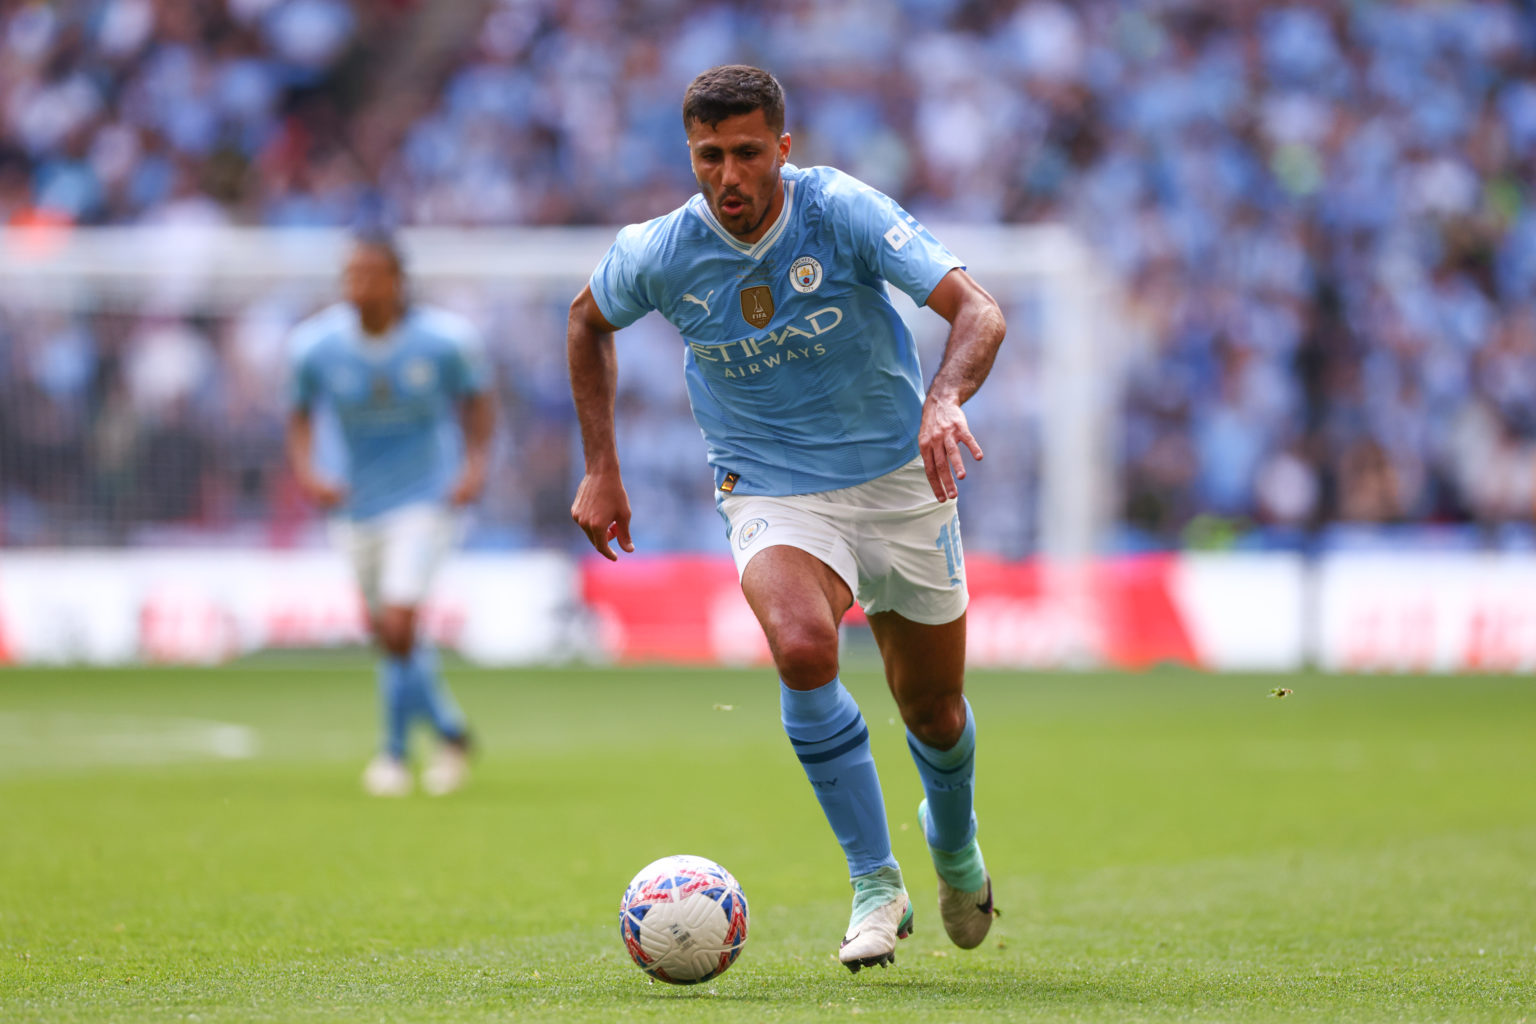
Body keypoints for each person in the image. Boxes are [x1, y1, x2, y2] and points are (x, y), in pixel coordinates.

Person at [568, 65, 1007, 971]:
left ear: (783, 149)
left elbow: (980, 311)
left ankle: (955, 848)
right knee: (804, 648)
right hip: (771, 488)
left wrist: (946, 397)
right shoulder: (659, 250)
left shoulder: (839, 209)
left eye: (746, 154)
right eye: (708, 157)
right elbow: (585, 322)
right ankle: (874, 883)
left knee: (933, 709)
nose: (728, 176)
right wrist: (602, 468)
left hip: (898, 476)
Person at [286, 233, 495, 797]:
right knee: (388, 634)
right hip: (355, 504)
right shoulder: (315, 345)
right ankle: (451, 731)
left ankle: (394, 753)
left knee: (399, 623)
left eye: (371, 273)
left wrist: (474, 466)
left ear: (398, 281)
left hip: (426, 501)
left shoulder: (445, 341)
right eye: (351, 274)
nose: (359, 285)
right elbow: (299, 414)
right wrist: (308, 472)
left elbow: (478, 401)